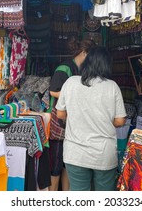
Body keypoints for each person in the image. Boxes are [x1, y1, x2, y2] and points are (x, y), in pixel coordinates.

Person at [55, 46, 127, 191]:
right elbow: (120, 121)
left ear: (86, 62)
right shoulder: (112, 86)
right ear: (106, 65)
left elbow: (60, 114)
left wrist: (78, 116)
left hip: (75, 153)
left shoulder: (70, 82)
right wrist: (102, 119)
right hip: (103, 154)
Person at [48, 37, 97, 191]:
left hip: (71, 121)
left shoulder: (81, 70)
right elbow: (53, 91)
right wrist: (77, 95)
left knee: (67, 163)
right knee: (55, 165)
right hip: (59, 122)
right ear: (83, 53)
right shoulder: (65, 68)